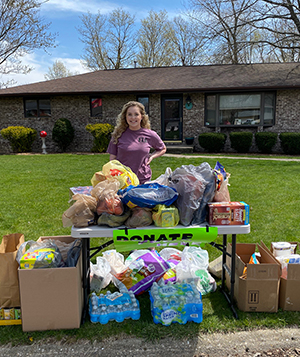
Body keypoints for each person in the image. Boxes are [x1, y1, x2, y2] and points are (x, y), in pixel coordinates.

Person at [107, 101, 166, 184]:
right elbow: (112, 159)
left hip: (143, 180)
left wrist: (152, 156)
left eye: (136, 114)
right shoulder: (118, 135)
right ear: (125, 117)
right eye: (129, 114)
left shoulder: (150, 134)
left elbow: (162, 148)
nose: (133, 117)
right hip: (123, 180)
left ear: (141, 116)